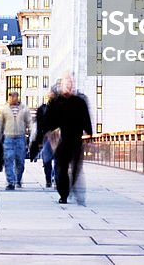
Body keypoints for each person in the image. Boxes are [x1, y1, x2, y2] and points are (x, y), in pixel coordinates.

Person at [45, 74, 92, 205]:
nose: (69, 86)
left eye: (71, 83)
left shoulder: (79, 102)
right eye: (66, 83)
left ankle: (73, 187)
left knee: (76, 167)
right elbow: (48, 120)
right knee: (62, 168)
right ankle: (63, 194)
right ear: (61, 86)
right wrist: (46, 133)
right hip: (62, 140)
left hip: (76, 139)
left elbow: (86, 118)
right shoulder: (56, 102)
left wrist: (89, 133)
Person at [0, 90, 32, 189]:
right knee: (8, 159)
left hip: (20, 137)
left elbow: (30, 122)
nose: (12, 98)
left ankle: (18, 179)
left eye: (14, 96)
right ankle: (10, 182)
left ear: (17, 97)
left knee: (20, 161)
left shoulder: (24, 109)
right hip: (8, 137)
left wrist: (32, 134)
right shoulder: (4, 109)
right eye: (10, 96)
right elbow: (0, 124)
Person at [30, 89, 55, 188]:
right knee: (47, 159)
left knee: (58, 160)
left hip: (57, 136)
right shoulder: (43, 108)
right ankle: (49, 179)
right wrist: (39, 140)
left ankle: (55, 178)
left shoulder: (60, 107)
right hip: (46, 137)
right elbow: (39, 125)